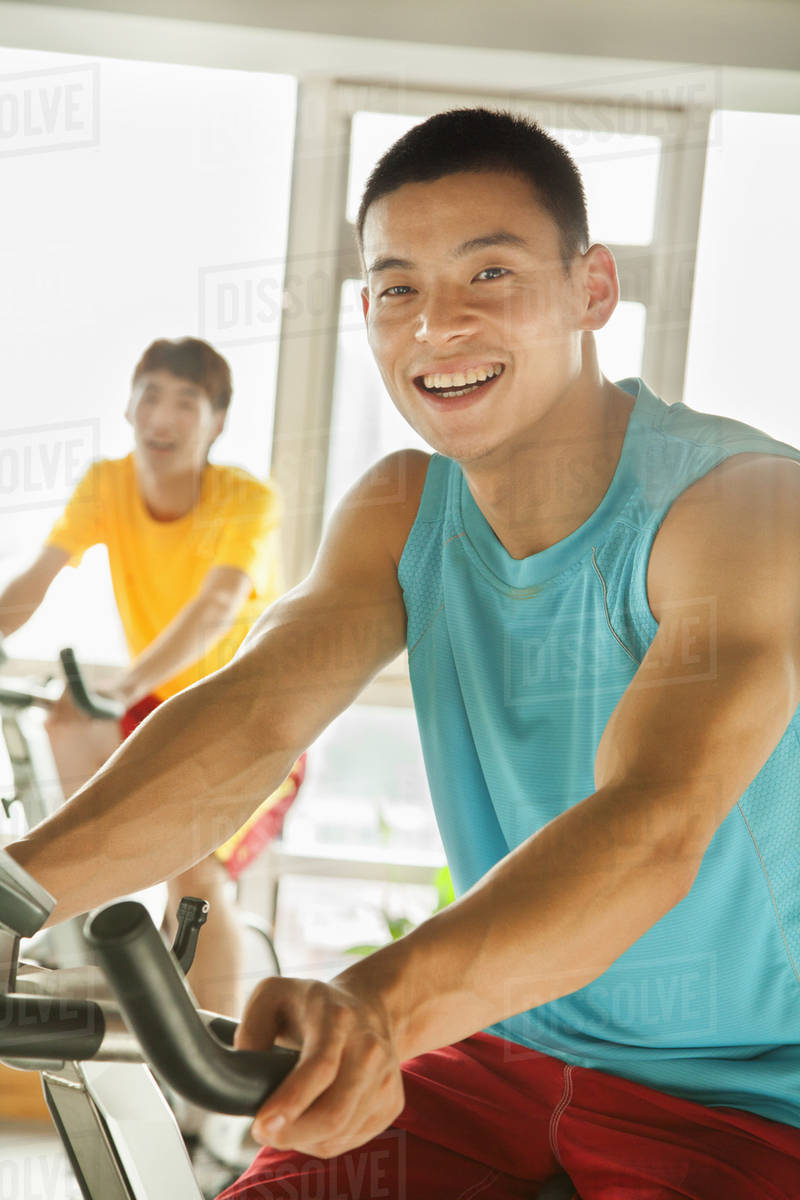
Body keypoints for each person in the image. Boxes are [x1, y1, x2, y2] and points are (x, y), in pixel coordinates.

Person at [7, 108, 800, 1198]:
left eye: (488, 275)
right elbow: (252, 721)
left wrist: (384, 1004)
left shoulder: (737, 507)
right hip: (499, 1047)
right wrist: (12, 897)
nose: (436, 327)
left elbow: (655, 823)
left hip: (749, 1090)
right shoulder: (399, 510)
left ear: (592, 288)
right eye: (398, 290)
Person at [0, 337, 304, 1018]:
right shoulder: (109, 483)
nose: (163, 418)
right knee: (67, 723)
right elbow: (37, 581)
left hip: (248, 719)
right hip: (157, 705)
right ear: (130, 408)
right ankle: (88, 915)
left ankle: (213, 1100)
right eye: (151, 397)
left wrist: (123, 685)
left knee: (194, 881)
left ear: (217, 421)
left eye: (187, 402)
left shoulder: (247, 500)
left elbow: (216, 608)